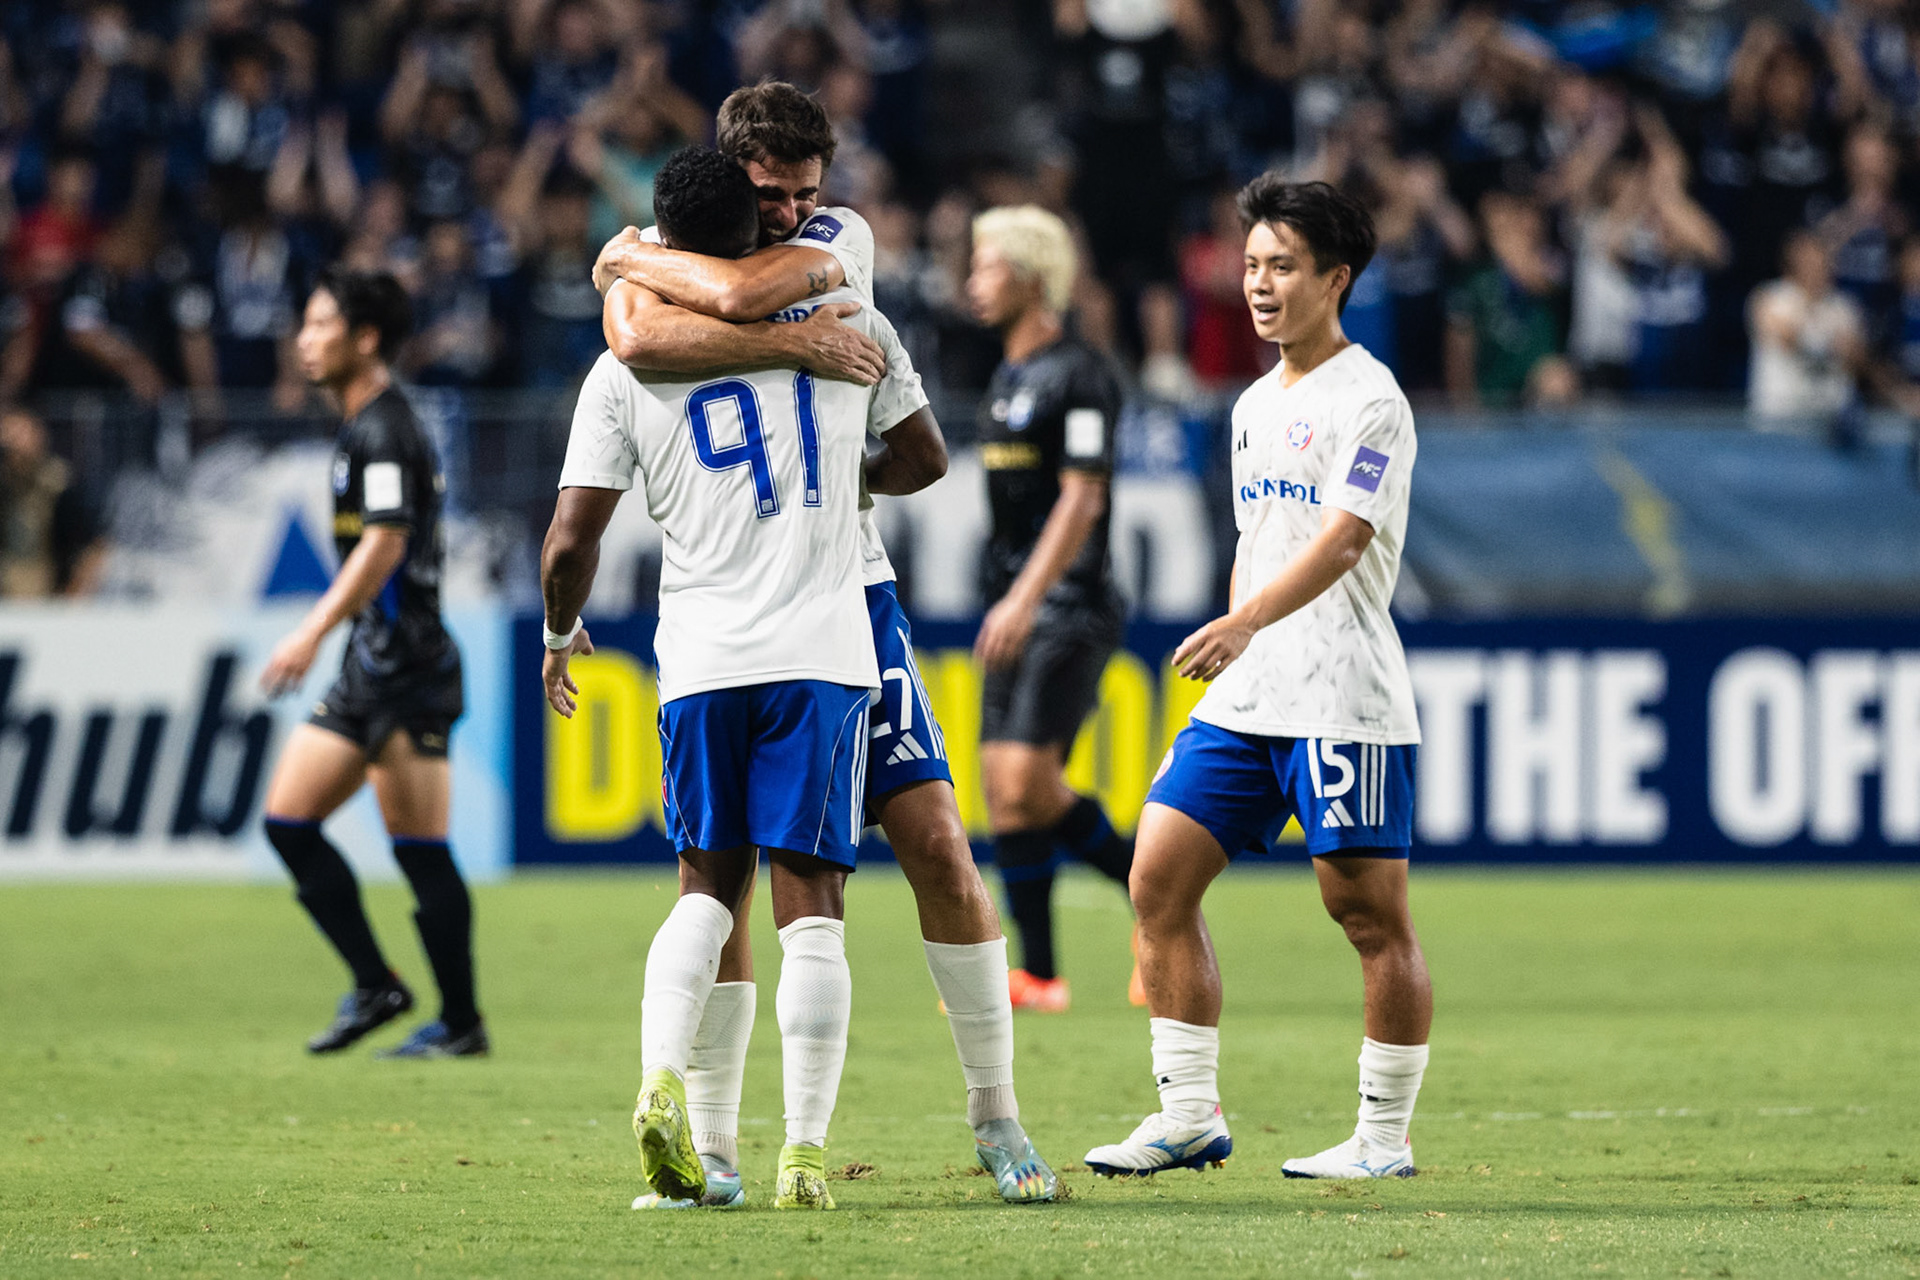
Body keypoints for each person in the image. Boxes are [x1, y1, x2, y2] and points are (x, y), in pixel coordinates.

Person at [591, 81, 1057, 1202]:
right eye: (771, 192)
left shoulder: (834, 244)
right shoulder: (679, 258)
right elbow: (638, 338)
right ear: (729, 175)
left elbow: (654, 324)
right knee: (731, 879)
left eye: (808, 190)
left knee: (938, 839)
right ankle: (714, 1145)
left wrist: (627, 263)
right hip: (736, 611)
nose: (796, 210)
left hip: (851, 597)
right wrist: (691, 304)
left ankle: (997, 1113)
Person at [542, 144, 949, 1212]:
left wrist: (558, 626)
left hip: (700, 661)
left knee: (704, 889)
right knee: (810, 904)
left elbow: (566, 542)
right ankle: (802, 1155)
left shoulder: (625, 357)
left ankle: (663, 1085)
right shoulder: (849, 325)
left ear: (663, 240)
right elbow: (924, 457)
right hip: (821, 653)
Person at [1084, 178, 1432, 1181]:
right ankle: (1188, 1113)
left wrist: (1241, 619)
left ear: (1337, 278)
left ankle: (1381, 1136)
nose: (1261, 285)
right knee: (1156, 876)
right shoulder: (1248, 404)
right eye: (1251, 266)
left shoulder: (1372, 400)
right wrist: (1239, 638)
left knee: (1366, 913)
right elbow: (1257, 540)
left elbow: (1343, 540)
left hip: (1343, 693)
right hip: (1252, 691)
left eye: (1283, 266)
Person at [256, 268, 484, 1060]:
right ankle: (383, 987)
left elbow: (386, 541)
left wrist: (311, 631)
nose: (304, 340)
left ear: (366, 339)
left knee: (417, 848)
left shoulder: (386, 429)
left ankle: (458, 1022)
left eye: (321, 325)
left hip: (408, 667)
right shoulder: (362, 427)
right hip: (376, 664)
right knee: (291, 823)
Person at [967, 204, 1136, 1014]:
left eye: (986, 266)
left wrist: (1025, 599)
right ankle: (1038, 974)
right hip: (1013, 600)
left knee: (1031, 780)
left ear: (1032, 279)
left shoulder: (1081, 374)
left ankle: (1158, 897)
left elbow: (1083, 500)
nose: (972, 282)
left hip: (1067, 604)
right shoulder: (1006, 379)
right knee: (1006, 791)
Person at [1748, 229, 1867, 425]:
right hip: (1780, 421)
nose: (1816, 266)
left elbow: (1855, 356)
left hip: (1830, 424)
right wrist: (1829, 342)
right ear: (1791, 263)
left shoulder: (1844, 306)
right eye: (1807, 259)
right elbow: (1786, 337)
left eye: (1821, 258)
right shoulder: (1770, 297)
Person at [0, 406, 106, 598]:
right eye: (7, 436)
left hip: (47, 595)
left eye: (19, 434)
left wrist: (72, 595)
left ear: (38, 435)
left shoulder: (61, 484)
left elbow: (94, 544)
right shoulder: (5, 487)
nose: (12, 443)